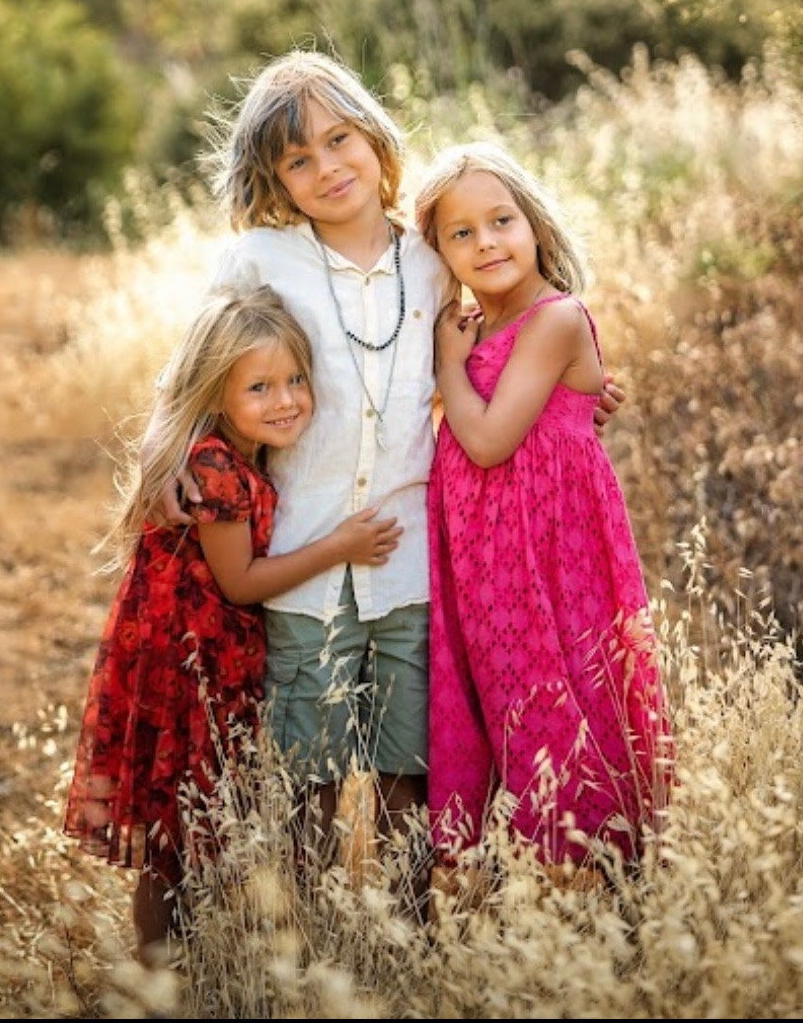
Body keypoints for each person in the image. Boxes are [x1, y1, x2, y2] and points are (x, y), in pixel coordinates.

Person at [153, 51, 624, 870]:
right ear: (273, 177)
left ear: (375, 140)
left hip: (412, 556)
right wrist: (167, 458)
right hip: (302, 553)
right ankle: (315, 939)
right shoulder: (260, 260)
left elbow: (497, 349)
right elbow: (197, 371)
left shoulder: (434, 258)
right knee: (311, 775)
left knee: (410, 769)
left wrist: (574, 395)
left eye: (341, 141)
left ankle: (408, 936)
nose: (327, 167)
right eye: (298, 159)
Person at [63, 281, 401, 962]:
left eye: (295, 380)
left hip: (204, 652)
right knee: (173, 832)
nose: (285, 400)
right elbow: (239, 581)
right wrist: (339, 544)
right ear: (216, 394)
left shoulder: (235, 452)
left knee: (189, 825)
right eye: (259, 388)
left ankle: (193, 962)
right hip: (189, 663)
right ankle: (157, 972)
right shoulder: (214, 470)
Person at [414, 141, 673, 882]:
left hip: (545, 559)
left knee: (557, 701)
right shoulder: (472, 328)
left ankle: (587, 874)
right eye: (460, 233)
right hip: (485, 561)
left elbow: (491, 441)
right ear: (438, 253)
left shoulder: (552, 319)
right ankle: (520, 879)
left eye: (501, 220)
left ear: (535, 224)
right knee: (498, 705)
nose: (485, 241)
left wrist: (446, 369)